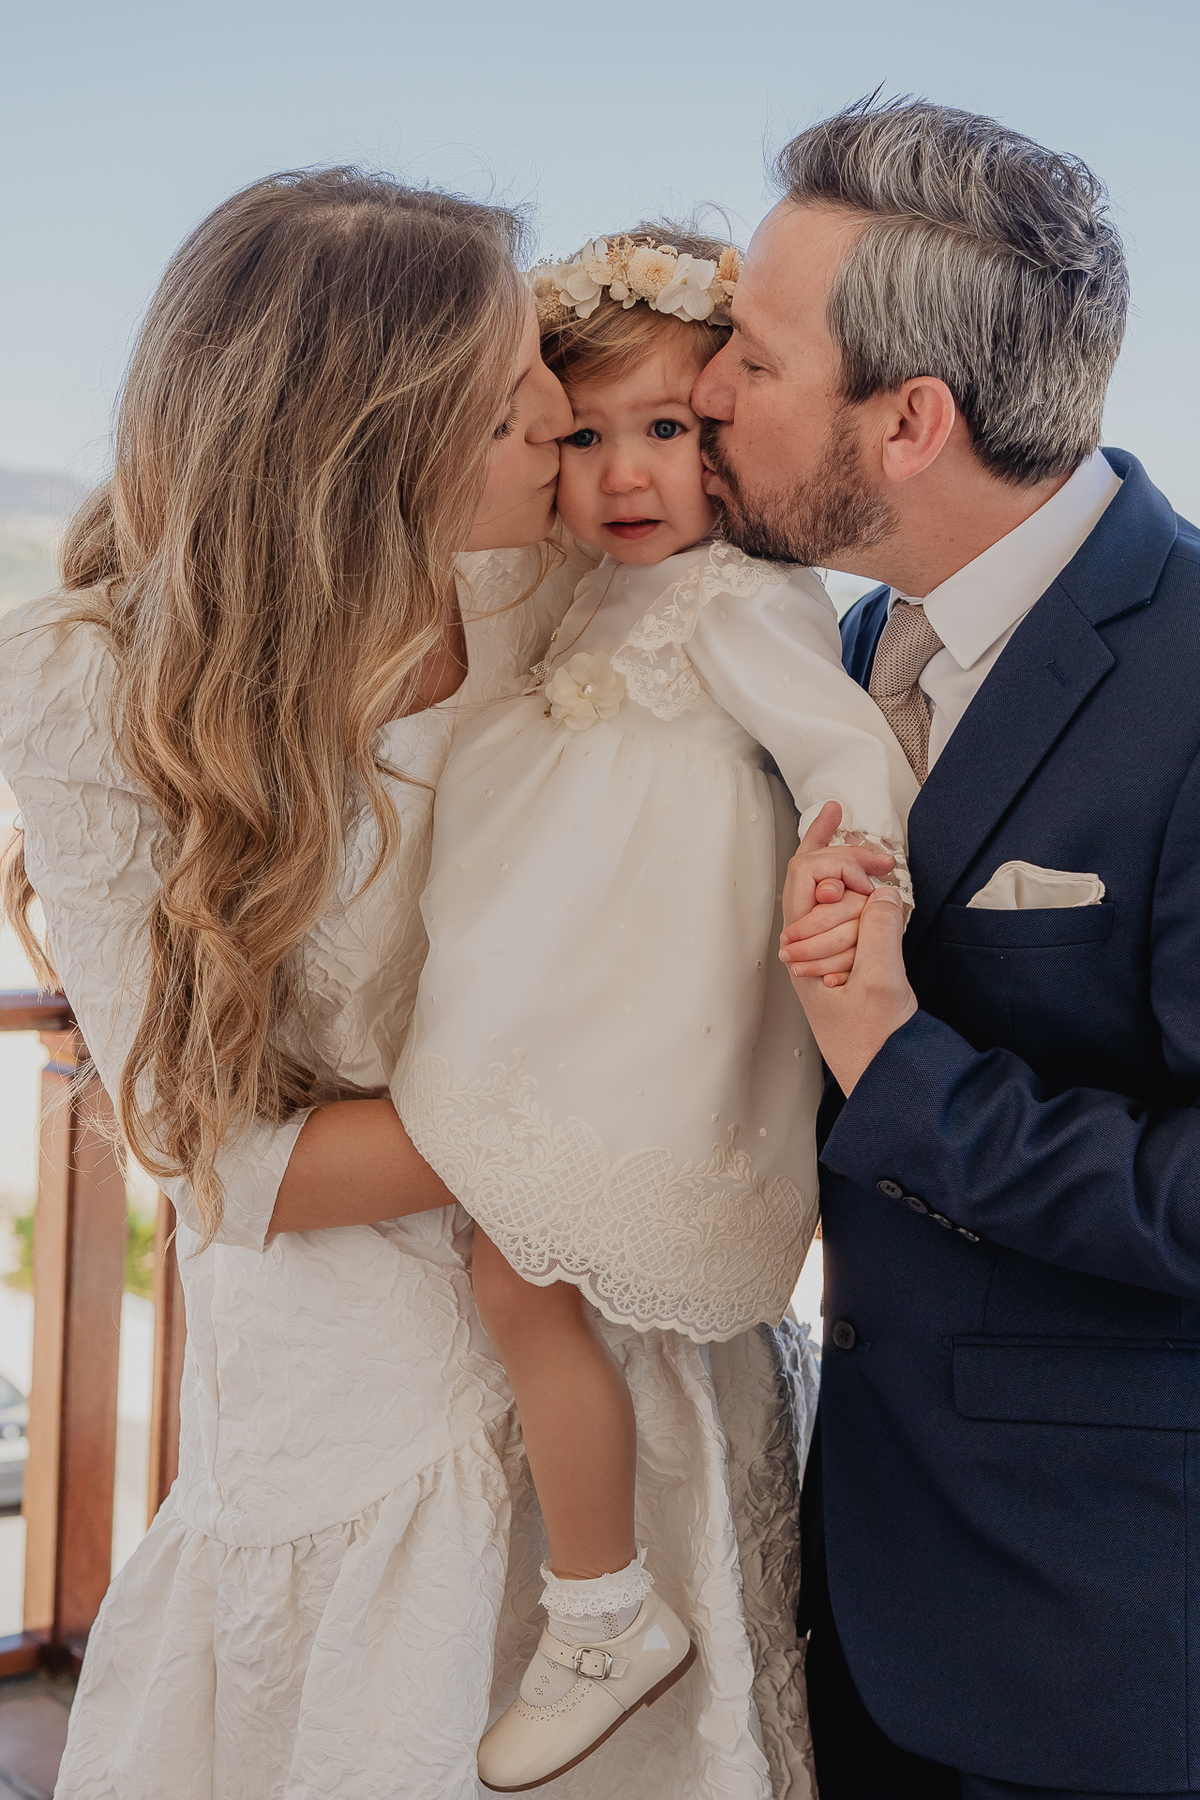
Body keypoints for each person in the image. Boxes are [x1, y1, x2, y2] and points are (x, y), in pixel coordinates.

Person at [0, 170, 813, 1800]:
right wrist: (602, 1104)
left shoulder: (556, 577)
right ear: (367, 445)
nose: (556, 419)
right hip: (361, 1394)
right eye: (510, 399)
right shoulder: (94, 682)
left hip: (625, 1335)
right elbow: (223, 1162)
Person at [697, 95, 1200, 1800]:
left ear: (911, 419)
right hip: (865, 1591)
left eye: (755, 359)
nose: (709, 392)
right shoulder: (845, 649)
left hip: (1101, 1642)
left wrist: (902, 1068)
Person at [393, 225, 916, 1791]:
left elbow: (844, 749)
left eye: (670, 429)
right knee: (506, 1269)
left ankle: (604, 1609)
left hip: (654, 1021)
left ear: (730, 436)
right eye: (586, 435)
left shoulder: (737, 600)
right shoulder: (596, 596)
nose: (625, 474)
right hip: (579, 997)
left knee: (512, 1272)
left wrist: (850, 875)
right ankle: (598, 1595)